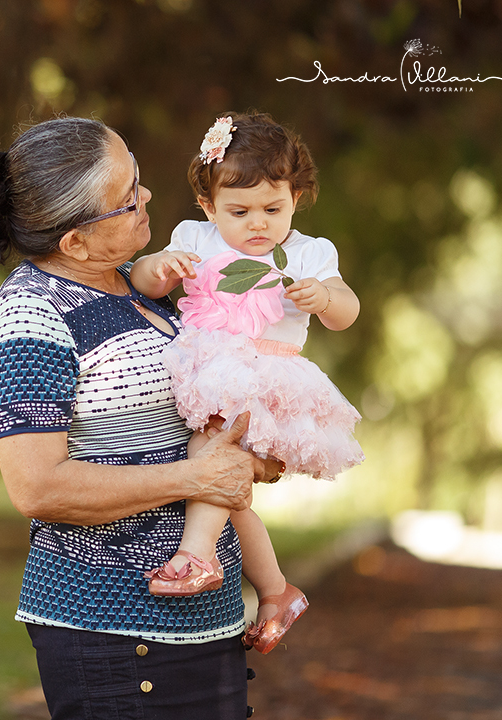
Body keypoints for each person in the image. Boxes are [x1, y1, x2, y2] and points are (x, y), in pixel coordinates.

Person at [0, 116, 286, 720]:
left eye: (137, 177)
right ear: (75, 242)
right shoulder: (31, 316)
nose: (147, 195)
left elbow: (187, 424)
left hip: (209, 618)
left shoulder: (142, 289)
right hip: (115, 632)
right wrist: (194, 478)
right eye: (127, 197)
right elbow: (38, 487)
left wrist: (250, 455)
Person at [129, 112, 364, 653]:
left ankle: (197, 555)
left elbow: (347, 310)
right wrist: (161, 266)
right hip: (210, 368)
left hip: (264, 378)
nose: (258, 224)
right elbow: (142, 280)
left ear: (296, 197)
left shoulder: (308, 253)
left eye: (272, 209)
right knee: (233, 496)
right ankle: (276, 590)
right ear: (209, 205)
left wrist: (325, 298)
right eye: (239, 211)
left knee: (210, 453)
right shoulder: (196, 238)